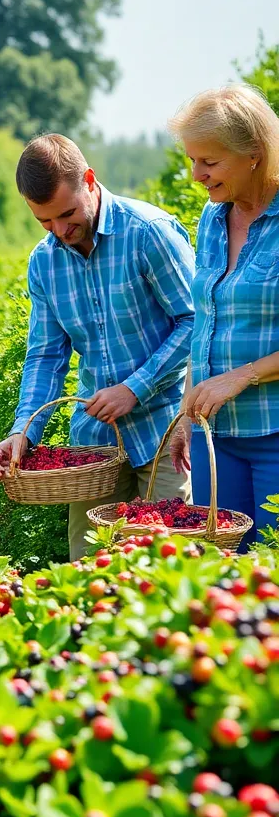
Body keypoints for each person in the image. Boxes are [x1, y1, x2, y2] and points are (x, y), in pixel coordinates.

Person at [0, 134, 196, 561]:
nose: (60, 231)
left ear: (89, 179)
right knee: (89, 568)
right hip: (95, 446)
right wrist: (23, 431)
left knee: (166, 563)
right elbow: (46, 355)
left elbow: (197, 321)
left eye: (67, 214)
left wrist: (134, 388)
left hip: (165, 434)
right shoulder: (44, 262)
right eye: (45, 222)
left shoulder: (147, 233)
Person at [167, 84, 279, 552]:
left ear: (253, 154)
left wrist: (242, 377)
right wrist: (186, 413)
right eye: (193, 160)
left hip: (274, 435)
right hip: (218, 439)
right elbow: (206, 323)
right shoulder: (212, 220)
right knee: (225, 572)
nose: (196, 175)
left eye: (209, 162)